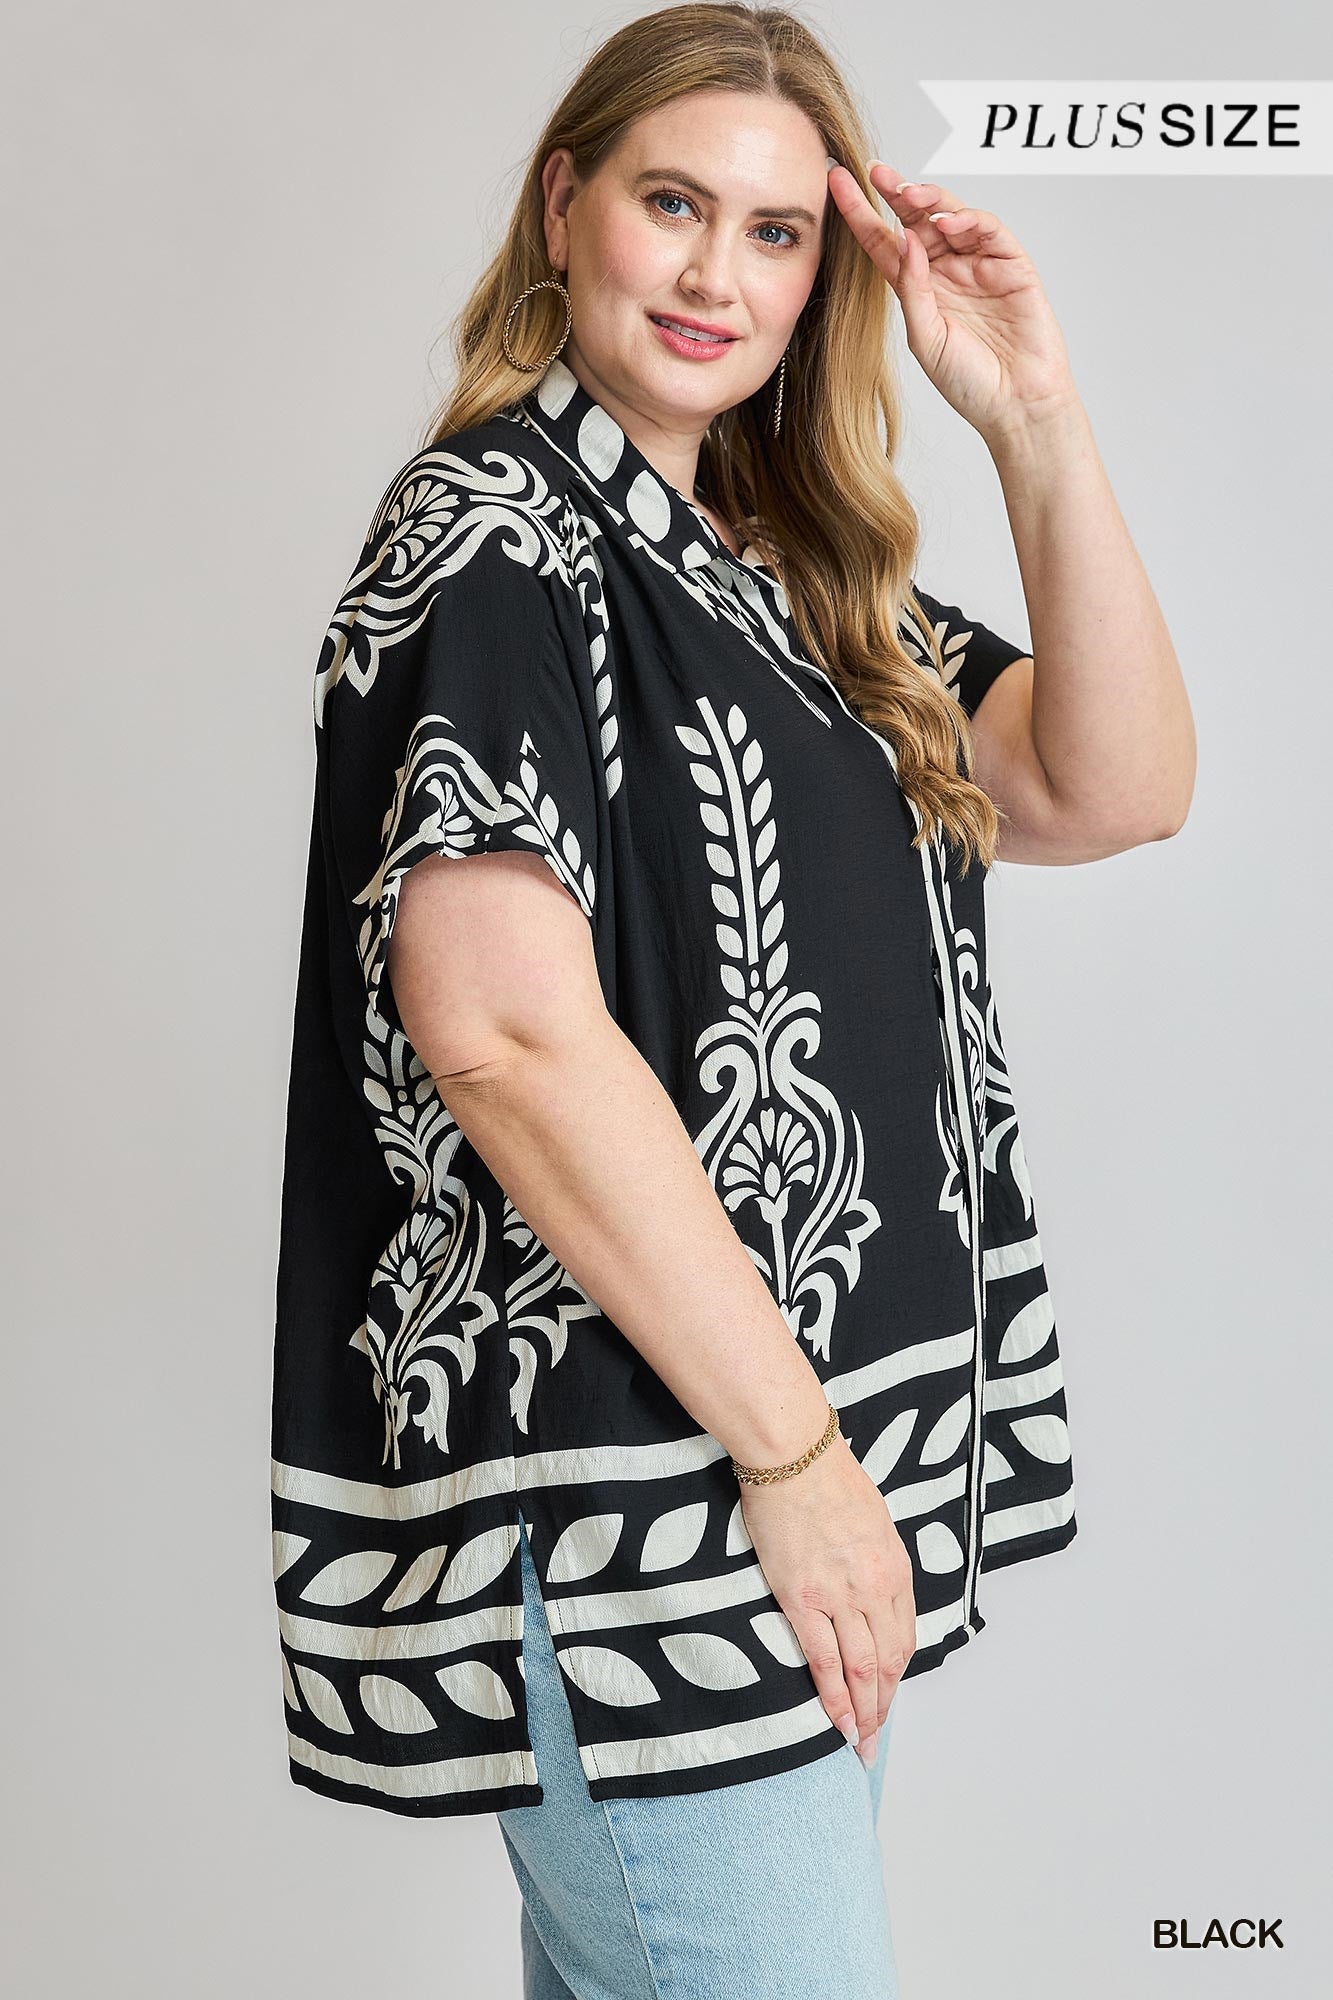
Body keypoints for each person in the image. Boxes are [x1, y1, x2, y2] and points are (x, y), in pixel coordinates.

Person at [270, 5, 1195, 1993]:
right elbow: (503, 1032)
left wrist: (1032, 417)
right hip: (653, 1493)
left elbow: (1112, 784)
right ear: (563, 207)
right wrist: (792, 1463)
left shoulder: (779, 569)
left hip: (760, 1487)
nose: (715, 273)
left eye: (774, 232)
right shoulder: (497, 532)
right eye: (671, 203)